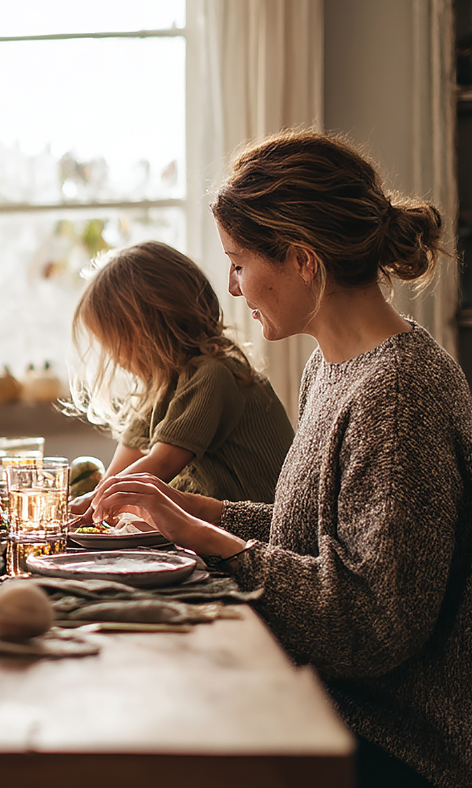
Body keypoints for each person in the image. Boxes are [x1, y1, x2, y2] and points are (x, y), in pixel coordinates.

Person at [87, 130, 472, 788]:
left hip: (392, 743)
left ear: (302, 261)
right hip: (327, 701)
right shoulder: (332, 367)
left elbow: (370, 623)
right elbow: (322, 536)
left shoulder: (398, 396)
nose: (232, 289)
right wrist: (200, 509)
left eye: (239, 263)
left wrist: (205, 540)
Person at [67, 241, 294, 513]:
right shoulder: (162, 387)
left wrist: (93, 506)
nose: (114, 357)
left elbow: (160, 465)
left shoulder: (213, 375)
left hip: (255, 530)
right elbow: (115, 477)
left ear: (145, 331)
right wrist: (72, 508)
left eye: (114, 343)